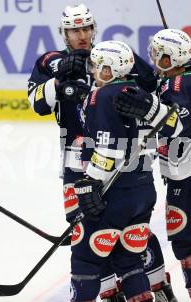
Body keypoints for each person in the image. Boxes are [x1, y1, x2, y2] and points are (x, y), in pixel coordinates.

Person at [27, 4, 176, 301]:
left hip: (123, 161)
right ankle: (110, 292)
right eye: (74, 30)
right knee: (90, 230)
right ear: (64, 32)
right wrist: (58, 82)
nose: (81, 36)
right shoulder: (50, 62)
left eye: (86, 29)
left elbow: (156, 88)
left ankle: (158, 285)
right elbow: (36, 103)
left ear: (94, 29)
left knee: (132, 230)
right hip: (77, 158)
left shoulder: (117, 56)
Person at [113, 28, 191, 302]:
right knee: (190, 236)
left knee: (187, 241)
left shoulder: (180, 85)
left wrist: (146, 109)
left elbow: (176, 123)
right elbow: (162, 83)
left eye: (161, 56)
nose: (155, 60)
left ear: (175, 59)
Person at [71, 39, 160, 302]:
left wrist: (91, 181)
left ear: (109, 69)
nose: (93, 70)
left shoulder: (102, 95)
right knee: (130, 261)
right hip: (143, 190)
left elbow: (109, 149)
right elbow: (170, 127)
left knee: (86, 259)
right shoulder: (140, 93)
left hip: (114, 193)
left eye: (97, 65)